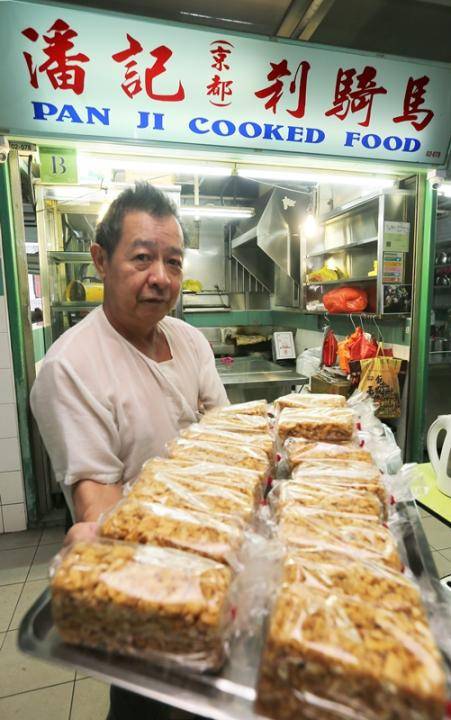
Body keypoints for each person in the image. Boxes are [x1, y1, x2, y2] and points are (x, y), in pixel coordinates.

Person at [30, 182, 228, 720]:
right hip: (146, 583)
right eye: (141, 258)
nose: (160, 278)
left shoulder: (190, 342)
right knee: (149, 706)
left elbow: (224, 438)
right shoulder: (70, 368)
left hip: (219, 560)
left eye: (172, 261)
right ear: (101, 260)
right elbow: (96, 493)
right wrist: (99, 530)